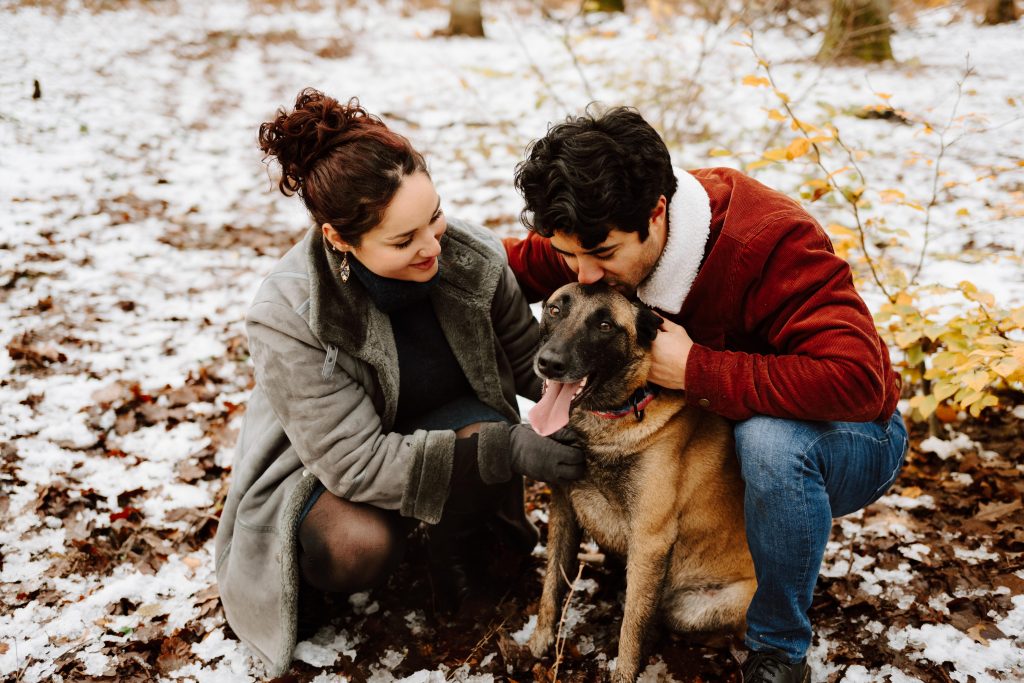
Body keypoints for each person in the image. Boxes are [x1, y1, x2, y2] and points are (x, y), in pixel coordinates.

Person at [503, 106, 908, 683]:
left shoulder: (768, 241)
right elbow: (499, 268)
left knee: (766, 442)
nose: (583, 273)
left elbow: (859, 382)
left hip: (854, 435)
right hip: (725, 442)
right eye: (569, 256)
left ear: (658, 212)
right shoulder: (595, 233)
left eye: (601, 256)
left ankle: (777, 647)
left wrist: (698, 370)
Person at [214, 88, 584, 676]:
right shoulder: (290, 312)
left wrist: (601, 401)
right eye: (402, 240)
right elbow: (352, 461)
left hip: (446, 426)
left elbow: (529, 359)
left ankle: (450, 551)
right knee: (358, 549)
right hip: (324, 470)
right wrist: (503, 448)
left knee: (487, 430)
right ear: (340, 238)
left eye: (433, 216)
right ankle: (310, 580)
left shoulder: (472, 256)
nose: (433, 246)